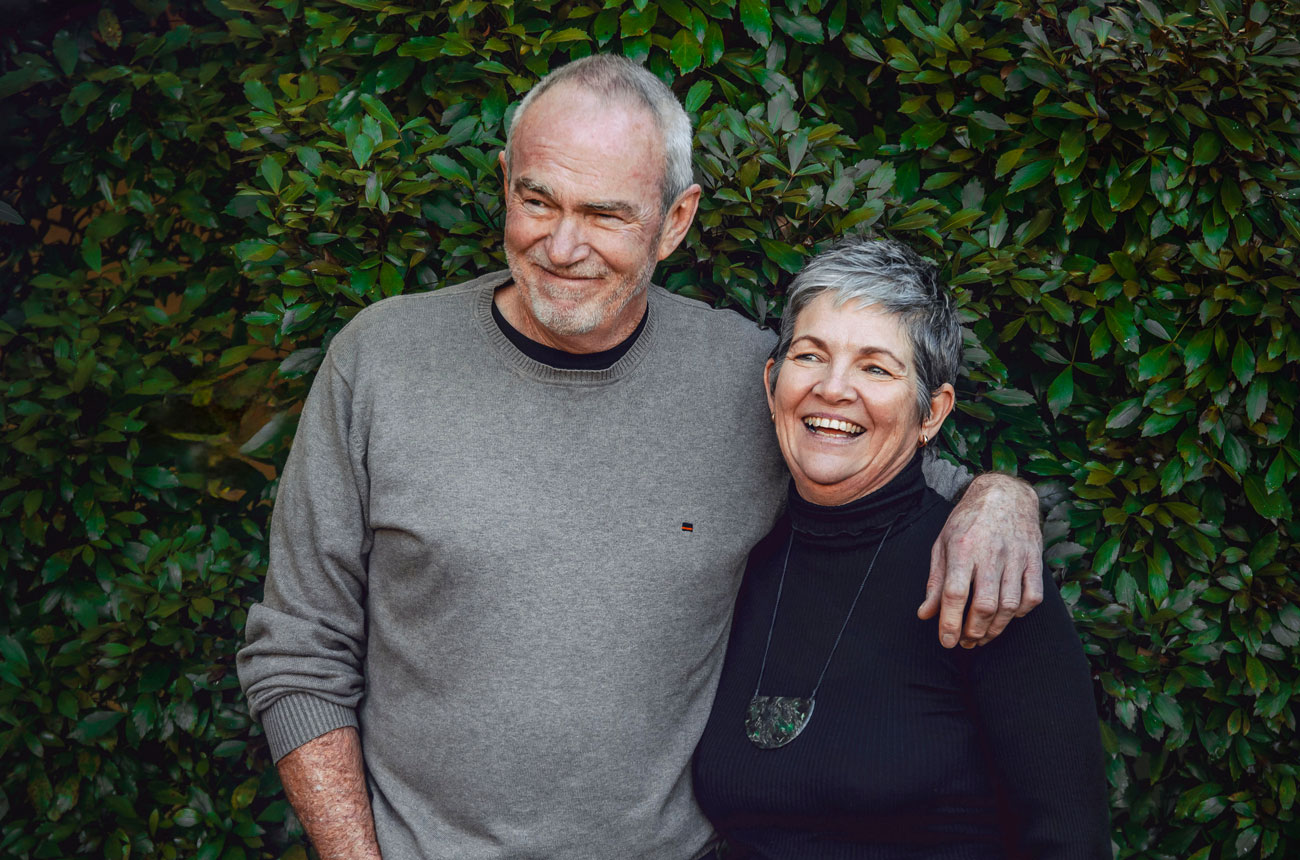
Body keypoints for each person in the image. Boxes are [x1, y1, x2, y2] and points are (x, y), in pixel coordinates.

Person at [236, 55, 1046, 860]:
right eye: (536, 200)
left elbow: (889, 472)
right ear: (505, 182)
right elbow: (299, 650)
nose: (562, 245)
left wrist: (1003, 497)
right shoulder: (381, 360)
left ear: (676, 219)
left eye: (605, 215)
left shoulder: (748, 379)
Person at [692, 238, 1109, 859]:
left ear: (932, 412)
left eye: (875, 368)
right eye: (810, 356)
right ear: (772, 380)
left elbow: (1068, 841)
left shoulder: (983, 575)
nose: (833, 388)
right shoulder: (739, 559)